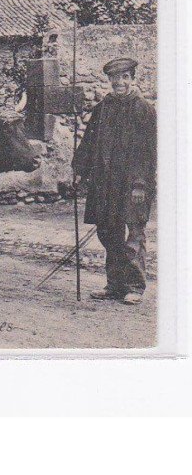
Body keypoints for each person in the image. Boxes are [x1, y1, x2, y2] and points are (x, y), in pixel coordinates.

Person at [72, 57, 156, 305]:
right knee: (108, 232)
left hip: (132, 184)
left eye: (124, 77)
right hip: (105, 182)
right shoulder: (102, 109)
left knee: (134, 233)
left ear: (132, 79)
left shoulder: (143, 109)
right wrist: (79, 169)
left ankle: (134, 286)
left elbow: (148, 152)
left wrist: (140, 184)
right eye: (114, 78)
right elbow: (88, 142)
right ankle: (114, 285)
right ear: (109, 80)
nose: (119, 82)